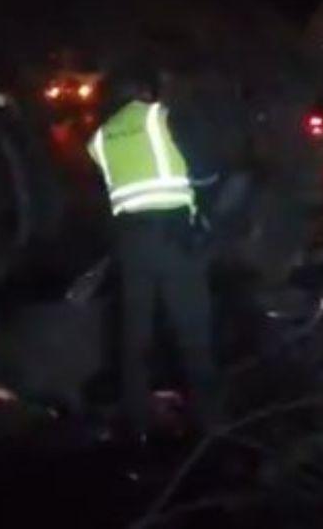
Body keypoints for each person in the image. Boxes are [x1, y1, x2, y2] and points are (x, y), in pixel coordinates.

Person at [87, 65, 222, 437]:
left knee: (136, 333)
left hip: (129, 242)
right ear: (144, 93)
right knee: (193, 328)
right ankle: (209, 424)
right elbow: (205, 169)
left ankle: (137, 422)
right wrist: (204, 209)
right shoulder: (162, 117)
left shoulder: (99, 137)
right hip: (174, 234)